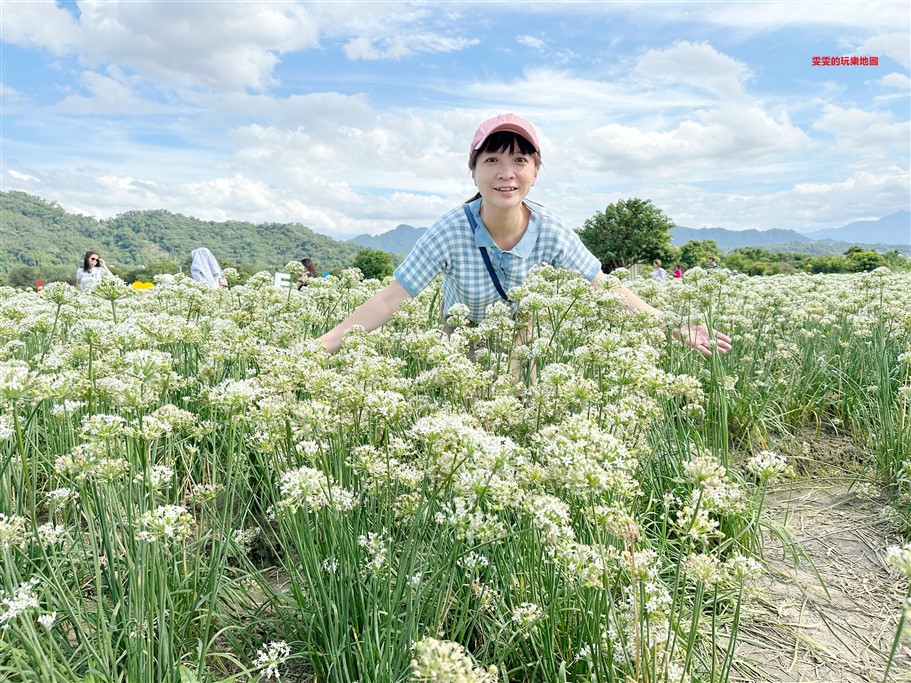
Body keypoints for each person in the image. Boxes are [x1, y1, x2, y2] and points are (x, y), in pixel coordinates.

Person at [318, 113, 731, 358]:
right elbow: (391, 298)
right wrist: (323, 346)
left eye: (519, 160)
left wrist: (673, 325)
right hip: (463, 333)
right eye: (492, 160)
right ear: (474, 170)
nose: (506, 173)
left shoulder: (549, 229)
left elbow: (604, 288)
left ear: (535, 171)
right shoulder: (450, 228)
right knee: (469, 417)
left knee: (518, 409)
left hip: (522, 332)